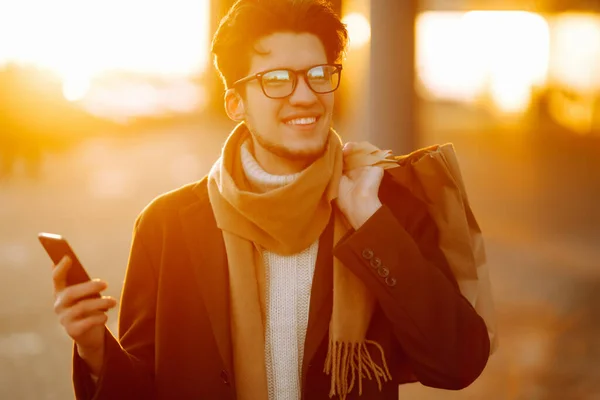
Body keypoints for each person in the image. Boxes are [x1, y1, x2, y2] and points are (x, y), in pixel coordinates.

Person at [51, 0, 491, 399]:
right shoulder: (166, 226)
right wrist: (94, 348)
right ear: (235, 102)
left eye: (319, 74)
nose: (305, 95)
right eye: (276, 79)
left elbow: (458, 364)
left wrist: (372, 224)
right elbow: (144, 388)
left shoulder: (382, 203)